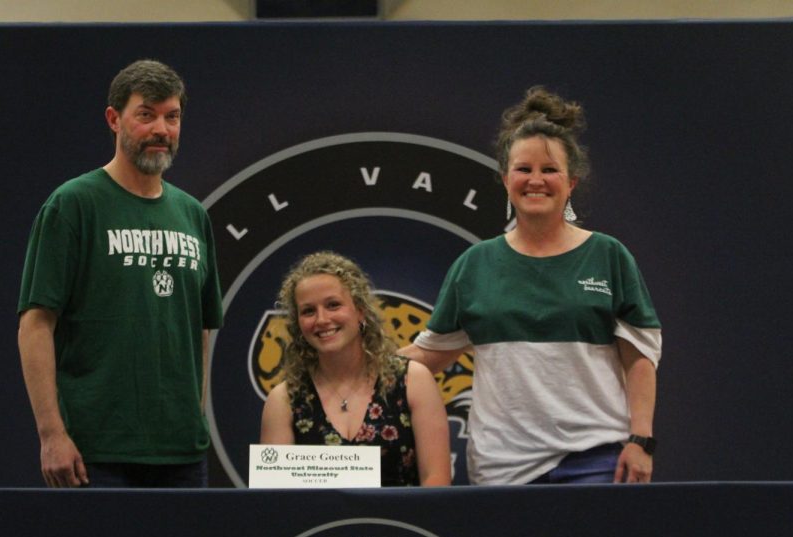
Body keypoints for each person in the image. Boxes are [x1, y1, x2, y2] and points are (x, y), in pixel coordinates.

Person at [400, 86, 662, 485]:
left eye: (549, 170)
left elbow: (639, 357)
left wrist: (641, 441)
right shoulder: (474, 265)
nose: (535, 180)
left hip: (596, 460)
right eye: (523, 170)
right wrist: (346, 366)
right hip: (501, 468)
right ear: (506, 180)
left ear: (571, 182)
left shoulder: (608, 255)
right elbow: (426, 357)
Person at [17, 59, 223, 488]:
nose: (161, 130)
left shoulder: (192, 214)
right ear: (114, 119)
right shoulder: (73, 204)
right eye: (146, 115)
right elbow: (35, 325)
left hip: (182, 453)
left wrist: (193, 419)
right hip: (95, 451)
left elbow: (199, 330)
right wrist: (51, 434)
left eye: (172, 116)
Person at [260, 251, 451, 487]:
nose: (321, 320)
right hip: (318, 524)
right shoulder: (283, 400)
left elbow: (437, 481)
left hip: (402, 523)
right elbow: (274, 499)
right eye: (308, 311)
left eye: (333, 305)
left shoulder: (414, 380)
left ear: (360, 310)